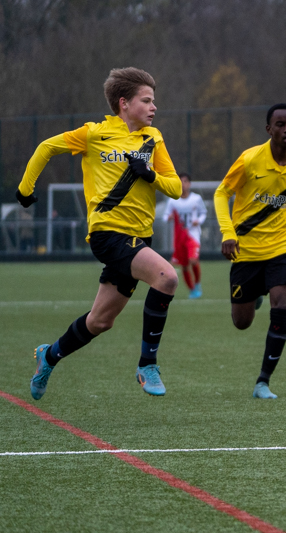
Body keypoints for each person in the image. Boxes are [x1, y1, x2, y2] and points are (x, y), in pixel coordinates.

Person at [16, 67, 182, 399]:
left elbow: (175, 187)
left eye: (154, 101)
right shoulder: (94, 133)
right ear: (124, 103)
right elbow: (47, 147)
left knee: (99, 322)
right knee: (167, 277)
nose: (154, 107)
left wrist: (149, 175)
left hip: (139, 238)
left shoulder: (153, 138)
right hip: (108, 234)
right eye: (146, 100)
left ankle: (47, 356)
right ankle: (147, 364)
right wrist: (25, 188)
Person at [214, 103, 286, 399]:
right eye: (281, 124)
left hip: (283, 243)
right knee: (242, 322)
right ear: (268, 129)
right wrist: (227, 232)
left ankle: (263, 382)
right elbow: (222, 194)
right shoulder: (249, 160)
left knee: (283, 301)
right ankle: (256, 295)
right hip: (246, 248)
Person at [163, 173, 207, 298]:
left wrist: (198, 220)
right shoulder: (173, 200)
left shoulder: (196, 198)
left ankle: (197, 283)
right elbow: (165, 216)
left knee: (193, 260)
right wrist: (169, 218)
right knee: (184, 265)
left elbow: (203, 213)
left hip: (193, 235)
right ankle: (192, 290)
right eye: (180, 181)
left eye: (186, 181)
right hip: (179, 237)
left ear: (190, 184)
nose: (183, 184)